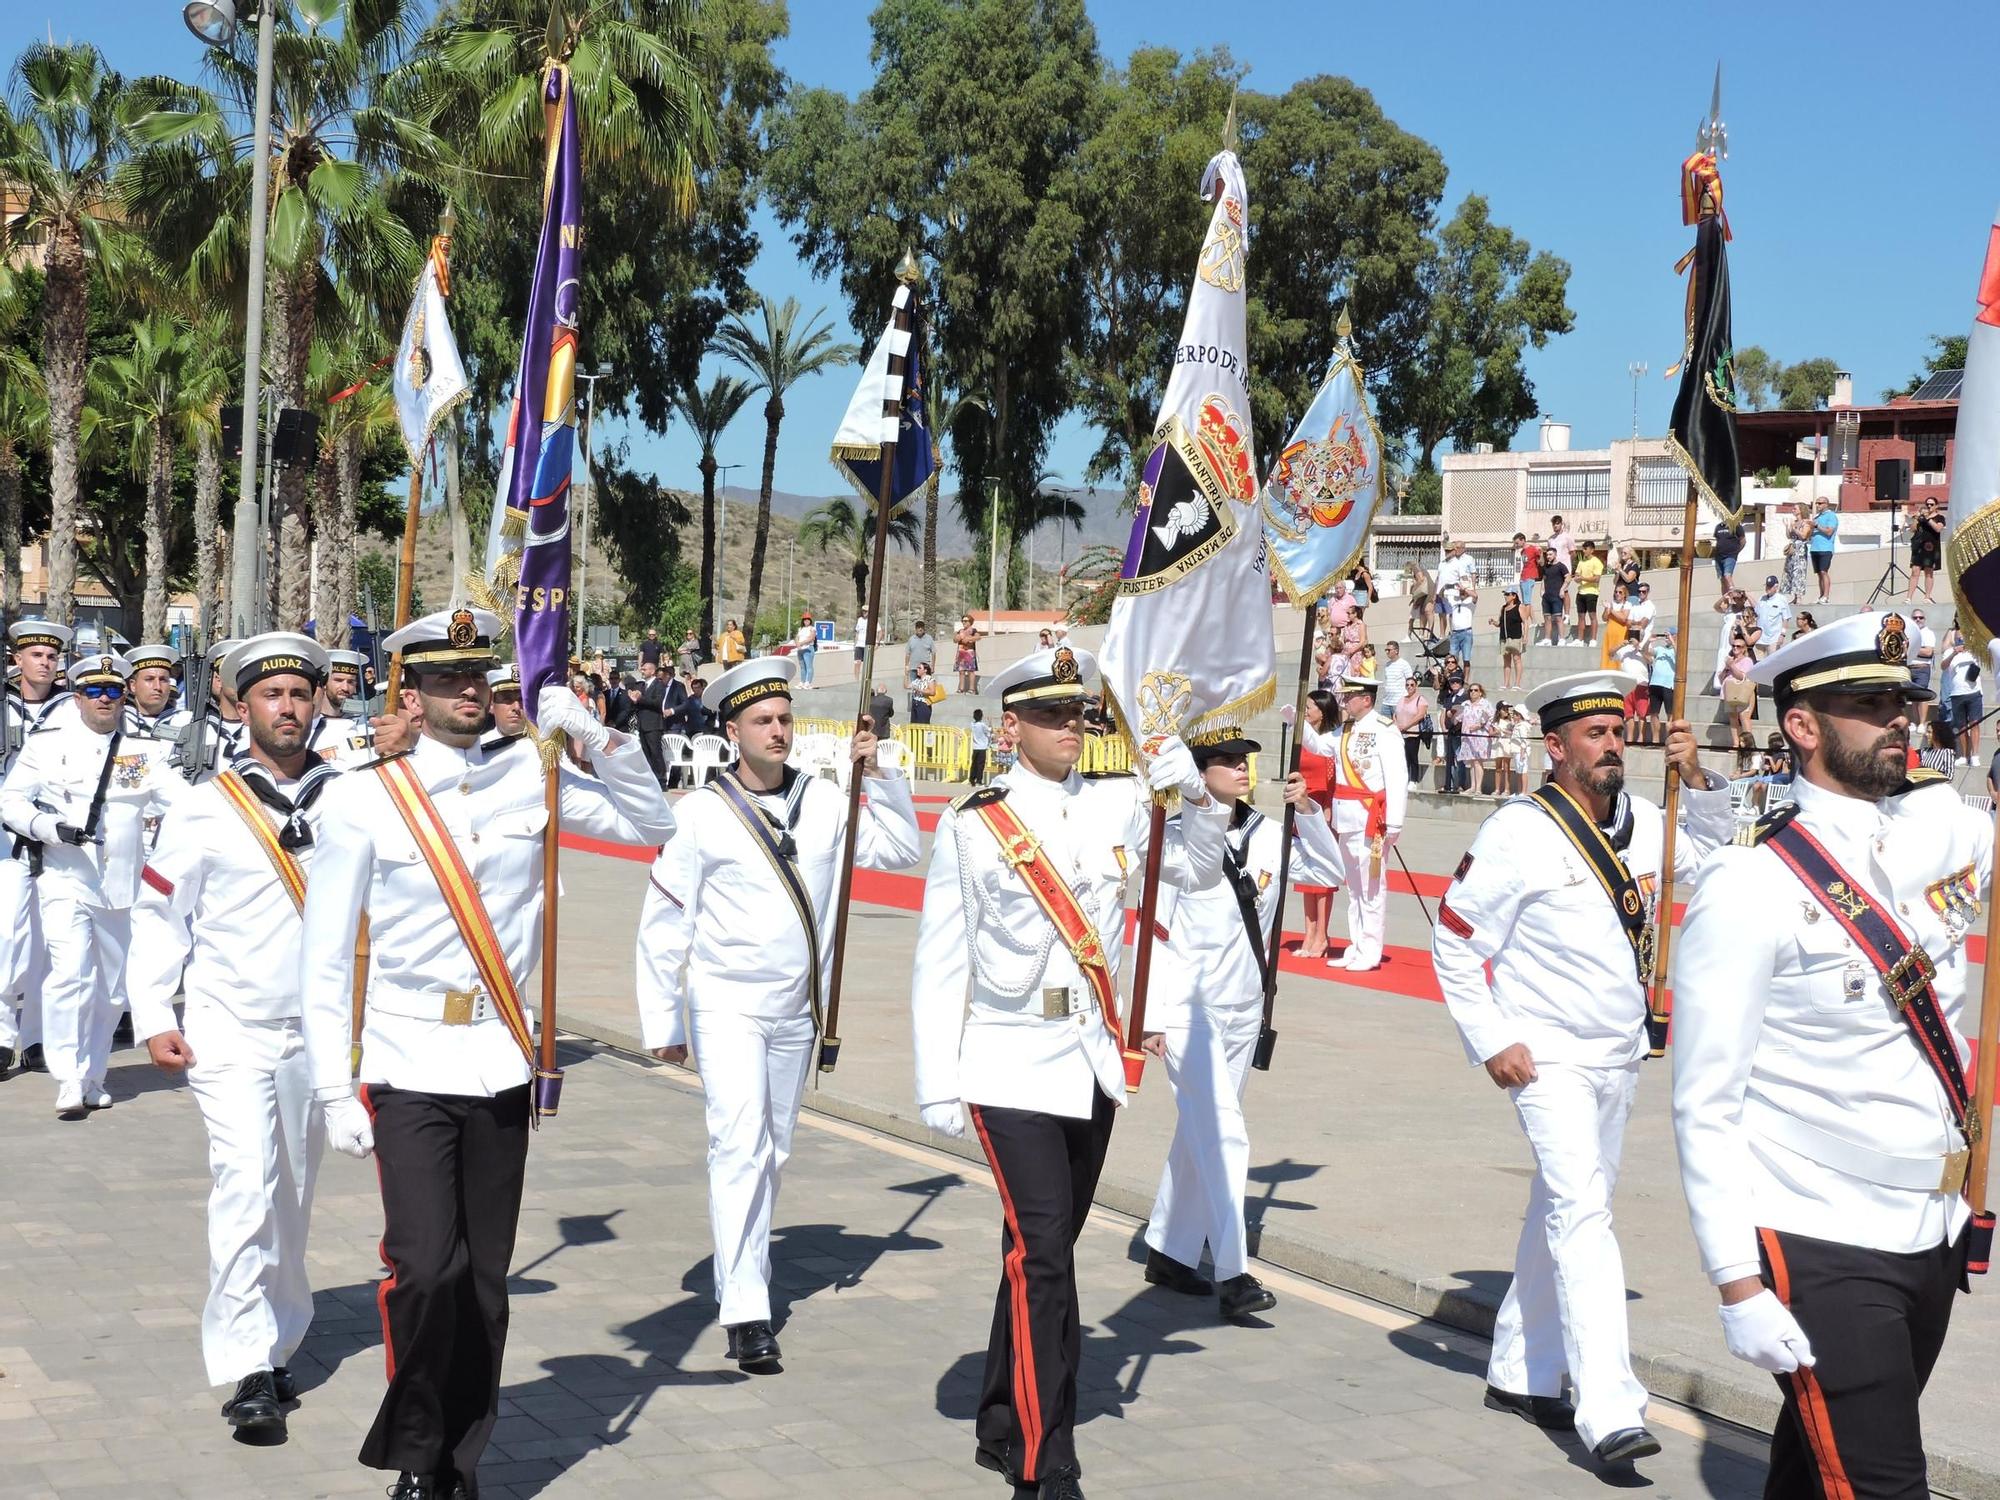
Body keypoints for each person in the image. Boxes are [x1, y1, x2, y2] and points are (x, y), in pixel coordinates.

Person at [297, 607, 675, 1500]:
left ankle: (455, 1461)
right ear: (413, 693)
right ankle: (418, 1445)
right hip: (405, 1058)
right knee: (426, 1269)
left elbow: (652, 826)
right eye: (446, 679)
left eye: (480, 676)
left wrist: (590, 732)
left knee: (485, 1284)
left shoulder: (532, 777)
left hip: (500, 1057)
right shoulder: (364, 795)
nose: (468, 691)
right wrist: (329, 1088)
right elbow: (323, 957)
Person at [1671, 611, 1988, 1500]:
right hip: (1815, 1231)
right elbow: (1705, 1101)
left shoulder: (1942, 830)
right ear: (1802, 726)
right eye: (1869, 702)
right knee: (1885, 1484)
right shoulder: (1749, 885)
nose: (1899, 719)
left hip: (1929, 1227)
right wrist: (1736, 1283)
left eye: (1903, 700)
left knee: (1815, 1473)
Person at [909, 644, 1224, 1498]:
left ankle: (999, 1415)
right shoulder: (976, 822)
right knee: (1046, 1255)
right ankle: (1046, 1462)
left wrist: (1189, 794)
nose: (1069, 729)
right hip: (1007, 1063)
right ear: (1010, 725)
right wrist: (937, 1077)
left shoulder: (1120, 803)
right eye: (1049, 715)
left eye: (1078, 714)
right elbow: (941, 956)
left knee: (1039, 1249)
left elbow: (1192, 873)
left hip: (1091, 1060)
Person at [1434, 669, 1732, 1470]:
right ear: (1556, 747)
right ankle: (1607, 1404)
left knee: (1563, 1208)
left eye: (1617, 732)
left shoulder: (1639, 821)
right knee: (1584, 1216)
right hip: (1549, 1057)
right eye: (1593, 736)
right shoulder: (1518, 831)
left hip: (1618, 1053)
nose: (1611, 746)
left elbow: (1711, 856)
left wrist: (1697, 777)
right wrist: (1491, 1037)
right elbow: (1456, 941)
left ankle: (1518, 1371)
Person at [127, 634, 403, 1437]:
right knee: (244, 1187)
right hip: (229, 1027)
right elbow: (158, 913)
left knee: (290, 1197)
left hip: (320, 1040)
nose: (287, 708)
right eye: (271, 695)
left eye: (300, 694)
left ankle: (279, 1340)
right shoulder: (203, 806)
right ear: (237, 706)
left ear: (319, 702)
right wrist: (153, 1015)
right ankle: (246, 1363)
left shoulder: (354, 797)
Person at [636, 658, 919, 1370]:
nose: (778, 731)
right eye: (762, 721)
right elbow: (665, 922)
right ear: (732, 730)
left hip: (797, 1011)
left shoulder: (824, 800)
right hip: (727, 1005)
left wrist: (875, 774)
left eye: (785, 719)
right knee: (739, 1146)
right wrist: (663, 1022)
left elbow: (900, 851)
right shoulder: (700, 813)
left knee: (774, 1151)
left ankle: (749, 1270)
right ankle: (746, 1308)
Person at [1139, 743, 1342, 1321]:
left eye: (1245, 760)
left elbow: (1327, 873)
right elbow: (1154, 924)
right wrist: (1148, 1015)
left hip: (1244, 1008)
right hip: (1187, 1010)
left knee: (1200, 1129)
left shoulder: (1271, 831)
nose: (1241, 769)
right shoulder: (1175, 836)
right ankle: (1232, 1270)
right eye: (1227, 761)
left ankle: (1170, 1251)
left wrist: (1310, 815)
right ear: (1198, 775)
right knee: (1224, 1133)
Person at [0, 650, 183, 1117]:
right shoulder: (47, 742)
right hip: (64, 877)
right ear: (78, 697)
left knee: (111, 990)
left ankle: (94, 1073)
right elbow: (11, 800)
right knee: (69, 976)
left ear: (124, 696)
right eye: (94, 691)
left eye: (113, 690)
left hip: (122, 887)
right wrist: (45, 827)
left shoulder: (145, 750)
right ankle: (67, 1075)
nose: (105, 699)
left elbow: (183, 804)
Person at [1303, 674, 1409, 970]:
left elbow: (1397, 776)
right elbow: (1320, 747)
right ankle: (1358, 944)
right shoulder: (1345, 729)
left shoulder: (1384, 730)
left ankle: (1371, 949)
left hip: (1370, 818)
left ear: (1366, 699)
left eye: (1350, 697)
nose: (1344, 701)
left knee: (1371, 887)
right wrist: (1298, 721)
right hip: (1346, 816)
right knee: (1354, 888)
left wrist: (1395, 821)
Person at [1295, 690, 1339, 959]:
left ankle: (1322, 934)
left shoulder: (1330, 741)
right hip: (1301, 808)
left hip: (1321, 810)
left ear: (1322, 711)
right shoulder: (1302, 740)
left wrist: (1327, 809)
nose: (1307, 711)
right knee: (1305, 874)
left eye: (1310, 707)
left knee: (1321, 877)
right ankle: (1308, 932)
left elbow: (1333, 779)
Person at [124, 644, 181, 732]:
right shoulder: (118, 722)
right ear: (133, 685)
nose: (157, 687)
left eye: (163, 680)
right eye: (149, 679)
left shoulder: (186, 722)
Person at [635, 659, 671, 788]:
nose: (642, 671)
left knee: (655, 753)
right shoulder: (642, 685)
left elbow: (657, 703)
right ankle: (650, 780)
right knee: (646, 753)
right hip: (643, 723)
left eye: (645, 669)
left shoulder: (659, 685)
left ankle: (661, 781)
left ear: (652, 671)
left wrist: (641, 699)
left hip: (654, 724)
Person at [1457, 683, 1495, 796]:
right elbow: (1458, 718)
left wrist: (1481, 725)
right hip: (1467, 736)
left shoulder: (1485, 704)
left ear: (1480, 692)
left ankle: (1478, 788)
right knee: (1472, 762)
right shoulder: (1466, 704)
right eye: (1471, 690)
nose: (1473, 692)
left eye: (1475, 690)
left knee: (1478, 761)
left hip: (1479, 735)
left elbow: (1492, 717)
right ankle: (1472, 786)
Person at [1906, 494, 1943, 603]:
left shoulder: (1940, 518)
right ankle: (1909, 598)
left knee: (1928, 571)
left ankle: (1927, 597)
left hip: (1931, 547)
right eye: (1927, 504)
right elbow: (1912, 530)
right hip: (1919, 547)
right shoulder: (1921, 518)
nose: (1929, 506)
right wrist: (1916, 519)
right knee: (1914, 571)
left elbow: (1938, 529)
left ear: (1936, 506)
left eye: (1931, 504)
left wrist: (1928, 519)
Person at [485, 666, 529, 742]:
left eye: (521, 699)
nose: (517, 707)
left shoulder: (548, 749)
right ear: (491, 705)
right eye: (507, 699)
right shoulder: (478, 748)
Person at [1493, 586, 1526, 689]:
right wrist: (1493, 622)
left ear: (1514, 596)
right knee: (1506, 661)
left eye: (1508, 594)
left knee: (1517, 659)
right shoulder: (1503, 608)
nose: (1506, 596)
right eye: (1505, 594)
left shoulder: (1519, 607)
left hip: (1515, 636)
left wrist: (1525, 636)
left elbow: (1525, 621)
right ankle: (1506, 683)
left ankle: (1517, 683)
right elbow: (1499, 623)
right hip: (1504, 637)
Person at [1573, 541, 1604, 648]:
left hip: (1592, 592)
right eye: (1583, 548)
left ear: (1592, 550)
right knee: (1581, 616)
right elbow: (1577, 575)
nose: (1584, 551)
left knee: (1592, 616)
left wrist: (1583, 578)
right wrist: (1577, 578)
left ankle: (1593, 639)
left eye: (1586, 549)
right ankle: (1580, 639)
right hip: (1581, 592)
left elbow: (1596, 578)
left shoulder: (1597, 562)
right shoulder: (1581, 562)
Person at [1808, 497, 1838, 602]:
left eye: (1820, 503)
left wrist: (1817, 526)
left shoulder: (1831, 516)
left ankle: (1826, 596)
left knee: (1823, 571)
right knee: (1819, 573)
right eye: (1816, 503)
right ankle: (1821, 595)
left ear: (1826, 504)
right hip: (1815, 548)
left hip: (1825, 548)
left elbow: (1829, 532)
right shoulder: (1817, 517)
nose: (1818, 505)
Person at [1753, 575, 1794, 650]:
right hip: (1760, 639)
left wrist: (1782, 635)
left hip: (1773, 639)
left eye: (1770, 587)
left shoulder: (1781, 599)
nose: (1767, 589)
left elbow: (1786, 618)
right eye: (1767, 586)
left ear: (1776, 587)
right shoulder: (1762, 599)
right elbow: (1756, 613)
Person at [1540, 546, 1569, 648]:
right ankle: (1547, 639)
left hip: (1556, 596)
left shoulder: (1561, 566)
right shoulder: (1546, 568)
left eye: (1550, 554)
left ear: (1555, 555)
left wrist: (1562, 589)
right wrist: (1542, 590)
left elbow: (1568, 578)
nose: (1548, 556)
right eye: (1547, 555)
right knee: (1547, 618)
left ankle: (1562, 639)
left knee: (1558, 618)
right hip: (1547, 597)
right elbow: (1544, 579)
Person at [1783, 501, 1811, 600]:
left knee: (1799, 572)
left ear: (1801, 510)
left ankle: (1799, 596)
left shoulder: (1806, 522)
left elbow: (1804, 535)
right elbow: (1789, 536)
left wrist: (1794, 529)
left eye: (1795, 509)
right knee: (1791, 571)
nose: (1793, 510)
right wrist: (1787, 527)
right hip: (1793, 549)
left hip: (1800, 549)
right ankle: (1794, 596)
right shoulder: (1794, 522)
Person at [953, 613, 983, 694]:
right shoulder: (960, 631)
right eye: (963, 621)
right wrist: (959, 637)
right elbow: (955, 639)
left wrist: (970, 638)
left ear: (970, 622)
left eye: (966, 621)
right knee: (961, 671)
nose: (964, 622)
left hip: (970, 653)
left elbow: (978, 637)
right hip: (961, 653)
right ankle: (961, 688)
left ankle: (972, 689)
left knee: (971, 671)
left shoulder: (973, 630)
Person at [910, 659, 945, 725]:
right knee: (914, 725)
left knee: (922, 725)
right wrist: (906, 675)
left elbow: (932, 692)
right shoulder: (917, 680)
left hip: (923, 704)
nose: (917, 669)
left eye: (920, 668)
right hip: (915, 703)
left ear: (925, 670)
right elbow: (906, 686)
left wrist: (919, 689)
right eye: (917, 668)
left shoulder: (929, 679)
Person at [1713, 515, 1744, 589]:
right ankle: (1726, 599)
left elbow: (1743, 541)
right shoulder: (1718, 527)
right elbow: (1716, 540)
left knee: (1727, 575)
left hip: (1730, 556)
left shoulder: (1736, 526)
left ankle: (1734, 595)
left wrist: (1736, 552)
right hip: (1719, 557)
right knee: (1722, 579)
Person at [792, 614, 818, 687]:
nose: (806, 621)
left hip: (808, 648)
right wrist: (798, 645)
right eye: (805, 619)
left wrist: (801, 643)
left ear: (810, 620)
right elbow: (796, 637)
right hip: (800, 649)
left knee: (809, 665)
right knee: (802, 666)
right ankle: (802, 681)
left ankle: (808, 682)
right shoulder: (800, 629)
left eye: (808, 619)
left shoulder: (812, 628)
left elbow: (811, 638)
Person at [969, 708, 991, 784]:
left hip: (975, 747)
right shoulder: (982, 725)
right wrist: (990, 721)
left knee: (974, 764)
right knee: (980, 765)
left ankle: (972, 779)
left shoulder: (972, 724)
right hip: (982, 747)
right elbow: (989, 730)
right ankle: (979, 780)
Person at [853, 609, 869, 679]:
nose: (864, 613)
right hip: (859, 645)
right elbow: (857, 633)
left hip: (867, 645)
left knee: (866, 664)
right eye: (863, 611)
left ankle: (865, 678)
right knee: (857, 662)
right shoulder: (859, 620)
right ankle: (856, 679)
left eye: (866, 611)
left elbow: (879, 631)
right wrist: (855, 644)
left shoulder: (871, 621)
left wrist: (877, 643)